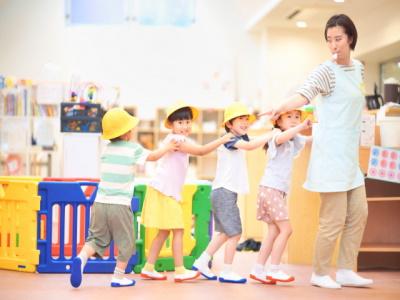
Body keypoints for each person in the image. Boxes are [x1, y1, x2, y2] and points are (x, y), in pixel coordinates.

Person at [259, 14, 373, 289]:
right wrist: (281, 107)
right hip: (330, 155)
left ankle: (346, 269)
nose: (333, 45)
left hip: (350, 156)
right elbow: (304, 94)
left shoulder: (359, 68)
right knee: (332, 220)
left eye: (338, 39)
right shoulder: (325, 71)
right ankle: (320, 273)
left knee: (359, 213)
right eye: (329, 40)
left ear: (351, 39)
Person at [70, 107, 178, 288]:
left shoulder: (105, 150)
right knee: (127, 243)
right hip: (120, 205)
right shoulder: (133, 149)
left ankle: (81, 259)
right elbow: (152, 157)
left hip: (100, 203)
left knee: (96, 239)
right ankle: (118, 277)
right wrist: (167, 147)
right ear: (126, 132)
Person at [140, 101, 233, 283]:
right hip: (165, 191)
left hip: (163, 190)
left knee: (164, 232)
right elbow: (201, 151)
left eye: (188, 122)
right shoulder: (177, 140)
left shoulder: (174, 140)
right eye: (180, 122)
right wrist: (222, 139)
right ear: (172, 125)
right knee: (179, 230)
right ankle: (180, 270)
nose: (185, 126)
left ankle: (148, 267)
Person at [192, 102, 276, 284]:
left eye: (247, 119)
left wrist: (272, 123)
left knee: (223, 233)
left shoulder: (241, 136)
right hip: (224, 191)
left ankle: (201, 261)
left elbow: (251, 141)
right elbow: (251, 146)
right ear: (229, 124)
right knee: (235, 233)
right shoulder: (229, 138)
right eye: (240, 119)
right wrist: (272, 134)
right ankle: (227, 271)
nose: (245, 123)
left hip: (224, 192)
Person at [249, 109, 312, 285]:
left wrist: (323, 129)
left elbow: (308, 139)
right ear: (278, 122)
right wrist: (300, 126)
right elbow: (284, 137)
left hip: (273, 190)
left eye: (297, 116)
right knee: (286, 229)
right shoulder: (276, 135)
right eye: (289, 117)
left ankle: (258, 269)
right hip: (271, 189)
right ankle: (274, 269)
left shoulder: (294, 139)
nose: (294, 120)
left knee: (274, 231)